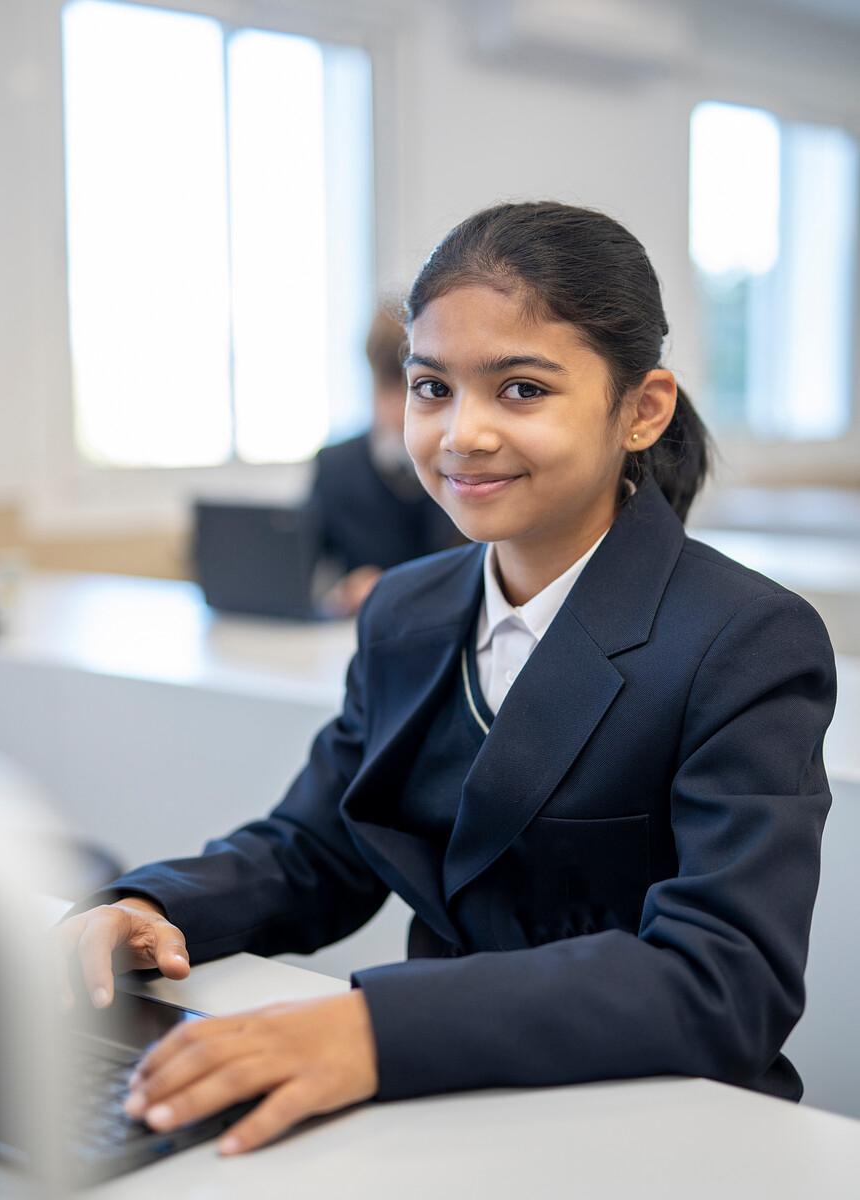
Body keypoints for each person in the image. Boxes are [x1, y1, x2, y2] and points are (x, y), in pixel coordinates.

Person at [60, 202, 836, 1156]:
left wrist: (376, 1029)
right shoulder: (408, 612)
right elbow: (319, 849)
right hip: (444, 1110)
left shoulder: (745, 638)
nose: (461, 435)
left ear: (643, 408)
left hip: (657, 1128)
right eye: (433, 388)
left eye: (519, 390)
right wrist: (155, 906)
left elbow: (725, 980)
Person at [313, 308, 459, 615]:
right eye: (388, 388)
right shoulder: (335, 465)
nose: (401, 407)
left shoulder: (464, 459)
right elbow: (308, 572)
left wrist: (392, 589)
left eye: (421, 389)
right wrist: (343, 592)